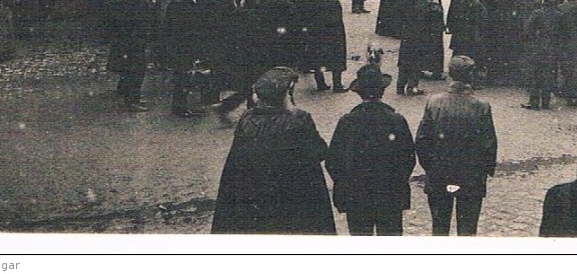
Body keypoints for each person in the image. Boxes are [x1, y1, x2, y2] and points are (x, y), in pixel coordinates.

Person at [211, 67, 336, 234]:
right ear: (286, 96)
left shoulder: (247, 119)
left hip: (258, 196)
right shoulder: (299, 120)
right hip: (293, 197)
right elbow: (320, 151)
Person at [326, 64, 416, 236]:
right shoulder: (396, 120)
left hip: (357, 197)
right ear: (382, 91)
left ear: (359, 92)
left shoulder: (347, 122)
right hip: (390, 195)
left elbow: (333, 161)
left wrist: (346, 185)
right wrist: (397, 182)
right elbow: (408, 158)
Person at [415, 55, 498, 236]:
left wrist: (430, 166)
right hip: (471, 176)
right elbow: (489, 144)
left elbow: (422, 139)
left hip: (439, 173)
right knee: (468, 230)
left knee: (439, 228)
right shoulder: (482, 106)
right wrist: (484, 171)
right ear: (471, 76)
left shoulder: (434, 102)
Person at [106, 0, 155, 111]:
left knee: (131, 69)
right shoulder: (136, 1)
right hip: (135, 41)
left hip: (129, 40)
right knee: (137, 70)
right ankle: (133, 100)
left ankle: (131, 95)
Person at [396, 0, 444, 95]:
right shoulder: (429, 4)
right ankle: (412, 87)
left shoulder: (405, 0)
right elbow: (436, 19)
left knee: (404, 60)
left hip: (407, 34)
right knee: (416, 61)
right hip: (422, 36)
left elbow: (397, 16)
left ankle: (400, 86)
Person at [305, 0, 348, 92]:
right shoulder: (333, 2)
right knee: (336, 59)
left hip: (316, 34)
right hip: (333, 35)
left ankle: (320, 83)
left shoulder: (312, 0)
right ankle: (337, 85)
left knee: (318, 58)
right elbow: (337, 19)